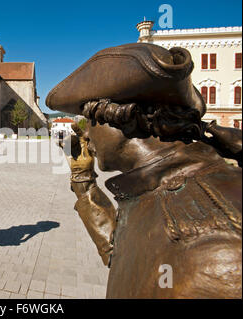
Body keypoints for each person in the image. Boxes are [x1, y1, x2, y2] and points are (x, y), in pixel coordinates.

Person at [48, 43, 242, 298]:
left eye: (90, 119)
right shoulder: (161, 187)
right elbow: (125, 253)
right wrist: (84, 183)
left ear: (122, 120)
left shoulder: (211, 248)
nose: (85, 132)